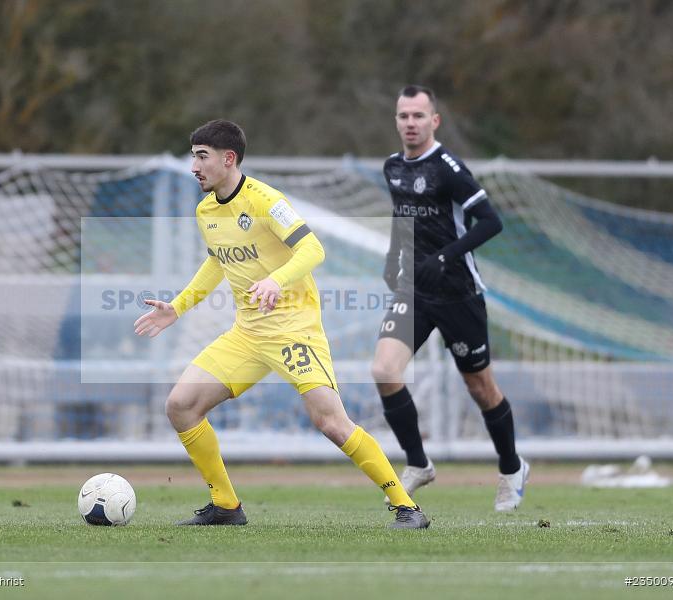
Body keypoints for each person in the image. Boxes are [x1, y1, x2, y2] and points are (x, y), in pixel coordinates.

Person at [134, 119, 429, 529]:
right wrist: (178, 307)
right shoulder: (206, 210)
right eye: (193, 157)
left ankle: (407, 507)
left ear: (228, 158)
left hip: (294, 329)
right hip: (248, 333)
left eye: (202, 156)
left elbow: (312, 248)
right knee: (181, 406)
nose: (194, 166)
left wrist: (276, 280)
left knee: (330, 422)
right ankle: (226, 506)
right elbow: (217, 262)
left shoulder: (265, 200)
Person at [371, 86, 529, 512]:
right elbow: (401, 217)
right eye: (404, 115)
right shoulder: (391, 168)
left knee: (481, 387)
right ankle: (419, 464)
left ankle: (512, 469)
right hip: (414, 291)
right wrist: (393, 258)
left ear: (434, 121)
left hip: (459, 293)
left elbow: (490, 221)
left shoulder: (448, 168)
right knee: (385, 370)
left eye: (419, 116)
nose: (410, 123)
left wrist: (445, 256)